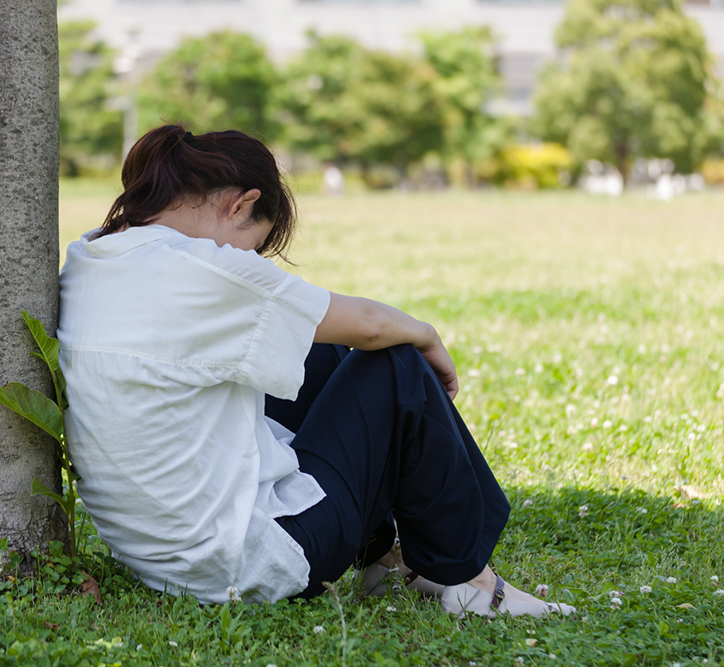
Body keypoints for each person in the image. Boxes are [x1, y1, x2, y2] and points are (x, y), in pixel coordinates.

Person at [57, 124, 575, 619]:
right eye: (255, 246)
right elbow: (372, 326)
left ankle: (385, 556)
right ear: (242, 204)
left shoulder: (92, 254)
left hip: (163, 560)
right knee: (395, 363)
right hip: (248, 566)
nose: (251, 261)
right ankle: (474, 584)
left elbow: (318, 327)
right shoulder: (204, 266)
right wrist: (428, 336)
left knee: (313, 349)